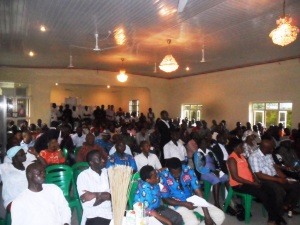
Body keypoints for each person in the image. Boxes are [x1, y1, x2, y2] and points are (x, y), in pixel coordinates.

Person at [227, 138, 286, 225]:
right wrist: (252, 183)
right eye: (241, 146)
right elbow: (236, 178)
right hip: (240, 185)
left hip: (250, 182)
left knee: (271, 190)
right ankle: (273, 219)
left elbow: (250, 170)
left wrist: (256, 179)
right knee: (263, 194)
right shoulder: (232, 159)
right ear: (235, 147)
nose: (243, 148)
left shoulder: (242, 156)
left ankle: (274, 216)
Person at [160, 157, 225, 225]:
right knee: (193, 222)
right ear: (169, 170)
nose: (176, 175)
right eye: (173, 174)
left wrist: (207, 216)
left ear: (181, 168)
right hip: (176, 204)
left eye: (179, 173)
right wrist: (184, 204)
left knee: (220, 215)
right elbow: (165, 199)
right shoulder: (164, 176)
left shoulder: (188, 170)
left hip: (192, 199)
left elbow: (199, 192)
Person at [248, 139, 300, 217]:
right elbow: (259, 175)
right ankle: (277, 214)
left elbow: (275, 168)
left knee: (296, 185)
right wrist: (278, 179)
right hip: (263, 180)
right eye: (271, 148)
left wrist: (285, 178)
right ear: (264, 148)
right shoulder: (254, 157)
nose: (273, 150)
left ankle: (287, 206)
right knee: (279, 190)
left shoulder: (268, 154)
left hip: (274, 177)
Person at [0, 146, 45, 212]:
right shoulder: (4, 167)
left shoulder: (28, 165)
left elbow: (44, 165)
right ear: (14, 157)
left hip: (31, 197)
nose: (25, 155)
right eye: (22, 154)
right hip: (13, 200)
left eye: (24, 153)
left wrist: (35, 153)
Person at [77, 150, 112, 225]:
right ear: (91, 162)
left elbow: (115, 195)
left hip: (112, 211)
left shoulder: (108, 173)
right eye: (99, 159)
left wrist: (95, 195)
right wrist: (106, 196)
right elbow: (87, 202)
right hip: (94, 214)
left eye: (102, 158)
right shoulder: (83, 176)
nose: (103, 160)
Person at [193, 138, 228, 208]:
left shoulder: (210, 152)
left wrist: (218, 170)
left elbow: (217, 162)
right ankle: (216, 203)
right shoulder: (197, 154)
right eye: (202, 143)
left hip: (214, 171)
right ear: (199, 145)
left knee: (227, 178)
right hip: (203, 173)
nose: (204, 145)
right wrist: (211, 171)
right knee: (216, 180)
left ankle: (229, 200)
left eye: (205, 143)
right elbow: (199, 168)